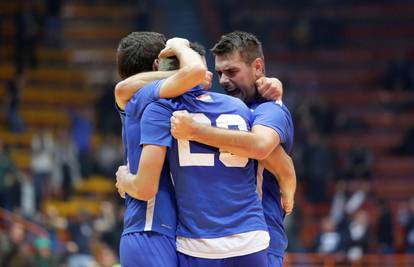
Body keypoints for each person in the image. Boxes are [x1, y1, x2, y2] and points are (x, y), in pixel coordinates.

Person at [116, 40, 282, 266]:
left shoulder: (160, 107)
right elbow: (270, 152)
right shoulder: (236, 107)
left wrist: (123, 180)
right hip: (244, 234)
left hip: (183, 237)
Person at [170, 31, 296, 267]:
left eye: (232, 71)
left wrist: (196, 131)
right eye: (219, 73)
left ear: (258, 67)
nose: (224, 80)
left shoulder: (271, 110)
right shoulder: (227, 109)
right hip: (213, 239)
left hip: (260, 240)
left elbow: (264, 149)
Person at [114, 32, 208, 267]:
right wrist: (185, 59)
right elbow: (195, 73)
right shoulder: (135, 96)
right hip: (149, 229)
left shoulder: (171, 102)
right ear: (158, 63)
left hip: (171, 232)